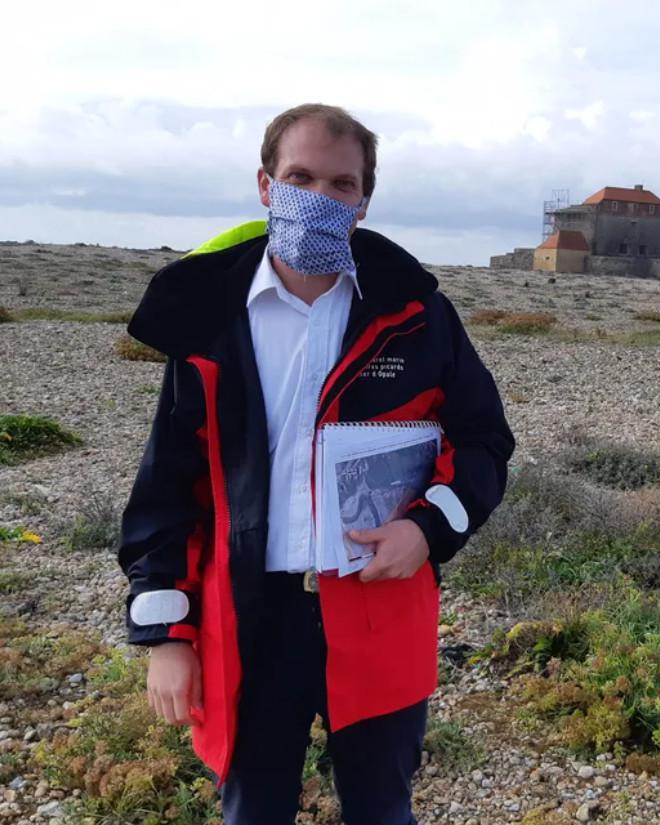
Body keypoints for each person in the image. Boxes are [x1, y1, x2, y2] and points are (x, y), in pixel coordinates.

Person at [118, 103, 515, 825]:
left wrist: (426, 530)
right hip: (246, 614)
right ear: (267, 186)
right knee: (252, 812)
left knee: (381, 810)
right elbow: (167, 489)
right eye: (300, 176)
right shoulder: (212, 321)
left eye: (341, 183)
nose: (319, 198)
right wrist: (166, 636)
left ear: (364, 200)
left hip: (376, 607)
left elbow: (483, 440)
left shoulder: (417, 315)